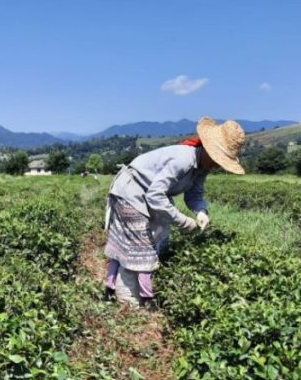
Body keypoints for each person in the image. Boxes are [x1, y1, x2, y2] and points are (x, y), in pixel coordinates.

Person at [103, 116, 246, 307]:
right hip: (132, 192)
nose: (217, 165)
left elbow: (193, 195)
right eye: (218, 160)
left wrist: (201, 211)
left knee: (155, 239)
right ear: (208, 150)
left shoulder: (201, 168)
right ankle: (128, 303)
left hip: (147, 195)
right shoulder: (184, 159)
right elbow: (155, 196)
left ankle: (135, 290)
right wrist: (183, 221)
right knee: (138, 247)